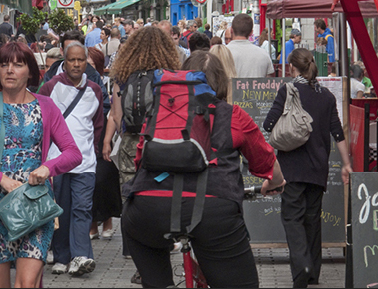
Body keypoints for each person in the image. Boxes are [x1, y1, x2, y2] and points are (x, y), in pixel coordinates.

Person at [122, 50, 286, 288]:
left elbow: (139, 162)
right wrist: (274, 183)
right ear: (221, 81)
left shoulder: (158, 113)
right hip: (212, 211)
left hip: (148, 209)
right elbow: (267, 164)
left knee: (153, 275)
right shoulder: (233, 115)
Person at [0, 41, 82, 288]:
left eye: (18, 64)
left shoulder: (45, 106)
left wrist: (48, 167)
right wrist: (0, 179)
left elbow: (73, 153)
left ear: (30, 72)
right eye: (4, 64)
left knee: (26, 285)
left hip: (34, 206)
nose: (10, 70)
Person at [263, 48, 352, 288]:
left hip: (292, 167)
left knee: (292, 218)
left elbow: (268, 123)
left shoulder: (289, 91)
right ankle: (313, 272)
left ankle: (301, 266)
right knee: (312, 219)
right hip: (318, 167)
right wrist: (346, 165)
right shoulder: (326, 96)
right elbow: (337, 132)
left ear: (292, 67)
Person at [102, 27, 182, 278]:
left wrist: (110, 139)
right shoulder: (168, 75)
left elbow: (116, 115)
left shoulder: (123, 76)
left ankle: (133, 251)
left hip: (129, 144)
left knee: (131, 199)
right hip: (159, 145)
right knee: (158, 196)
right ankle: (162, 246)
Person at [39, 42, 104, 276]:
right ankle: (61, 256)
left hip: (85, 162)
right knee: (61, 210)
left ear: (87, 62)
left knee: (82, 209)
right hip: (56, 162)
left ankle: (81, 257)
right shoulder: (50, 87)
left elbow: (97, 125)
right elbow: (41, 122)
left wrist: (93, 150)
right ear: (64, 62)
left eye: (81, 60)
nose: (77, 64)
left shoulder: (95, 89)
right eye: (72, 60)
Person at [86, 47, 122, 241]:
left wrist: (108, 138)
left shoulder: (107, 82)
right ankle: (92, 223)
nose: (87, 68)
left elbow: (112, 111)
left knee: (104, 178)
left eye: (92, 64)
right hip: (86, 133)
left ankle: (107, 219)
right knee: (89, 179)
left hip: (103, 133)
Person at [43, 30, 111, 116]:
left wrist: (86, 121)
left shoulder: (93, 76)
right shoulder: (50, 75)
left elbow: (103, 105)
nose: (73, 52)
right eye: (69, 49)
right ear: (62, 51)